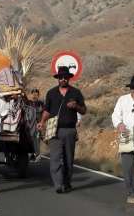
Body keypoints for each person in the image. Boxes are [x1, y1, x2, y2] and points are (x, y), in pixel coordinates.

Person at [37, 66, 86, 194]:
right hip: (54, 131)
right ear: (57, 78)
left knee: (68, 160)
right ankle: (58, 184)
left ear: (69, 78)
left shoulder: (76, 93)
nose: (63, 79)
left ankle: (67, 182)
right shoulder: (51, 93)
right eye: (61, 77)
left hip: (70, 130)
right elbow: (47, 110)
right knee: (55, 158)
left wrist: (76, 106)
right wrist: (42, 122)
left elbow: (84, 110)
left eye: (65, 77)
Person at [112, 76, 134, 204]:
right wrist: (119, 124)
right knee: (128, 168)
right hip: (127, 138)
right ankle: (131, 193)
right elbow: (115, 115)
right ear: (131, 90)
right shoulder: (123, 100)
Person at [29, 88, 44, 162]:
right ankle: (32, 154)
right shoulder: (29, 103)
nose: (34, 96)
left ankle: (38, 155)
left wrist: (42, 123)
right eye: (33, 94)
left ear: (38, 95)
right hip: (30, 125)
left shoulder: (41, 103)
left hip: (38, 125)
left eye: (36, 94)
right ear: (31, 95)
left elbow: (45, 113)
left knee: (37, 140)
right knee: (31, 140)